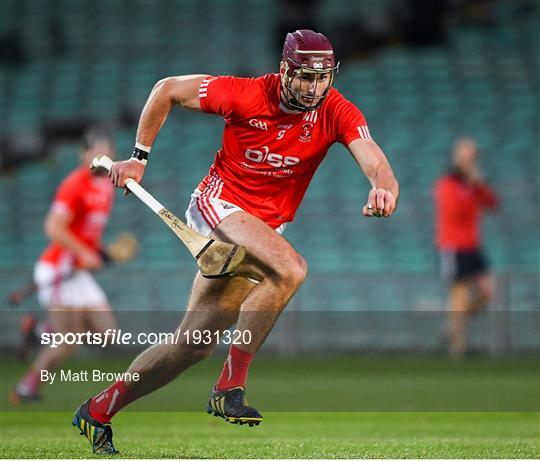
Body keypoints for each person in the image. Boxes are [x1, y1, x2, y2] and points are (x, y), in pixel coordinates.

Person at [72, 30, 399, 455]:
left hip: (264, 229)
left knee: (192, 343)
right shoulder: (244, 93)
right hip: (219, 205)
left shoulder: (335, 111)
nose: (313, 88)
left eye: (322, 79)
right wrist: (139, 157)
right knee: (292, 268)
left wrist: (383, 189)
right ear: (284, 70)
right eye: (303, 77)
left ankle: (97, 410)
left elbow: (375, 160)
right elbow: (166, 90)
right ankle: (230, 385)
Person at [11, 129, 117, 402]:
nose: (102, 157)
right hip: (59, 270)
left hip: (78, 274)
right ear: (84, 155)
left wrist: (99, 252)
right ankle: (27, 386)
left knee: (109, 335)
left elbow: (88, 231)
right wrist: (84, 251)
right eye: (96, 152)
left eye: (107, 152)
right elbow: (53, 227)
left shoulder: (106, 185)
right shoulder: (75, 184)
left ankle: (40, 331)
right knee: (68, 341)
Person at [434, 137, 498, 360]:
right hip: (452, 245)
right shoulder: (447, 184)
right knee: (459, 295)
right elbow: (454, 212)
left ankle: (453, 326)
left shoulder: (475, 184)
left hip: (473, 245)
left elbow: (492, 203)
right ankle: (457, 347)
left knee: (488, 291)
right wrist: (472, 187)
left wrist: (477, 184)